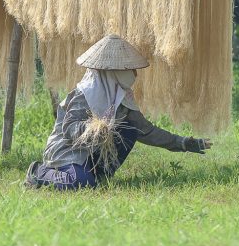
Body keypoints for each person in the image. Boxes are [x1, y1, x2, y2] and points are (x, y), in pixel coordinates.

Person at [26, 34, 212, 190]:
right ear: (113, 70)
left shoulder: (122, 96)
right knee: (80, 183)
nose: (134, 73)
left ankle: (97, 176)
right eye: (129, 68)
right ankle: (39, 172)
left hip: (90, 154)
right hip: (69, 153)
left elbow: (145, 130)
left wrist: (182, 143)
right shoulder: (85, 94)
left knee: (129, 130)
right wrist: (93, 129)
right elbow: (69, 129)